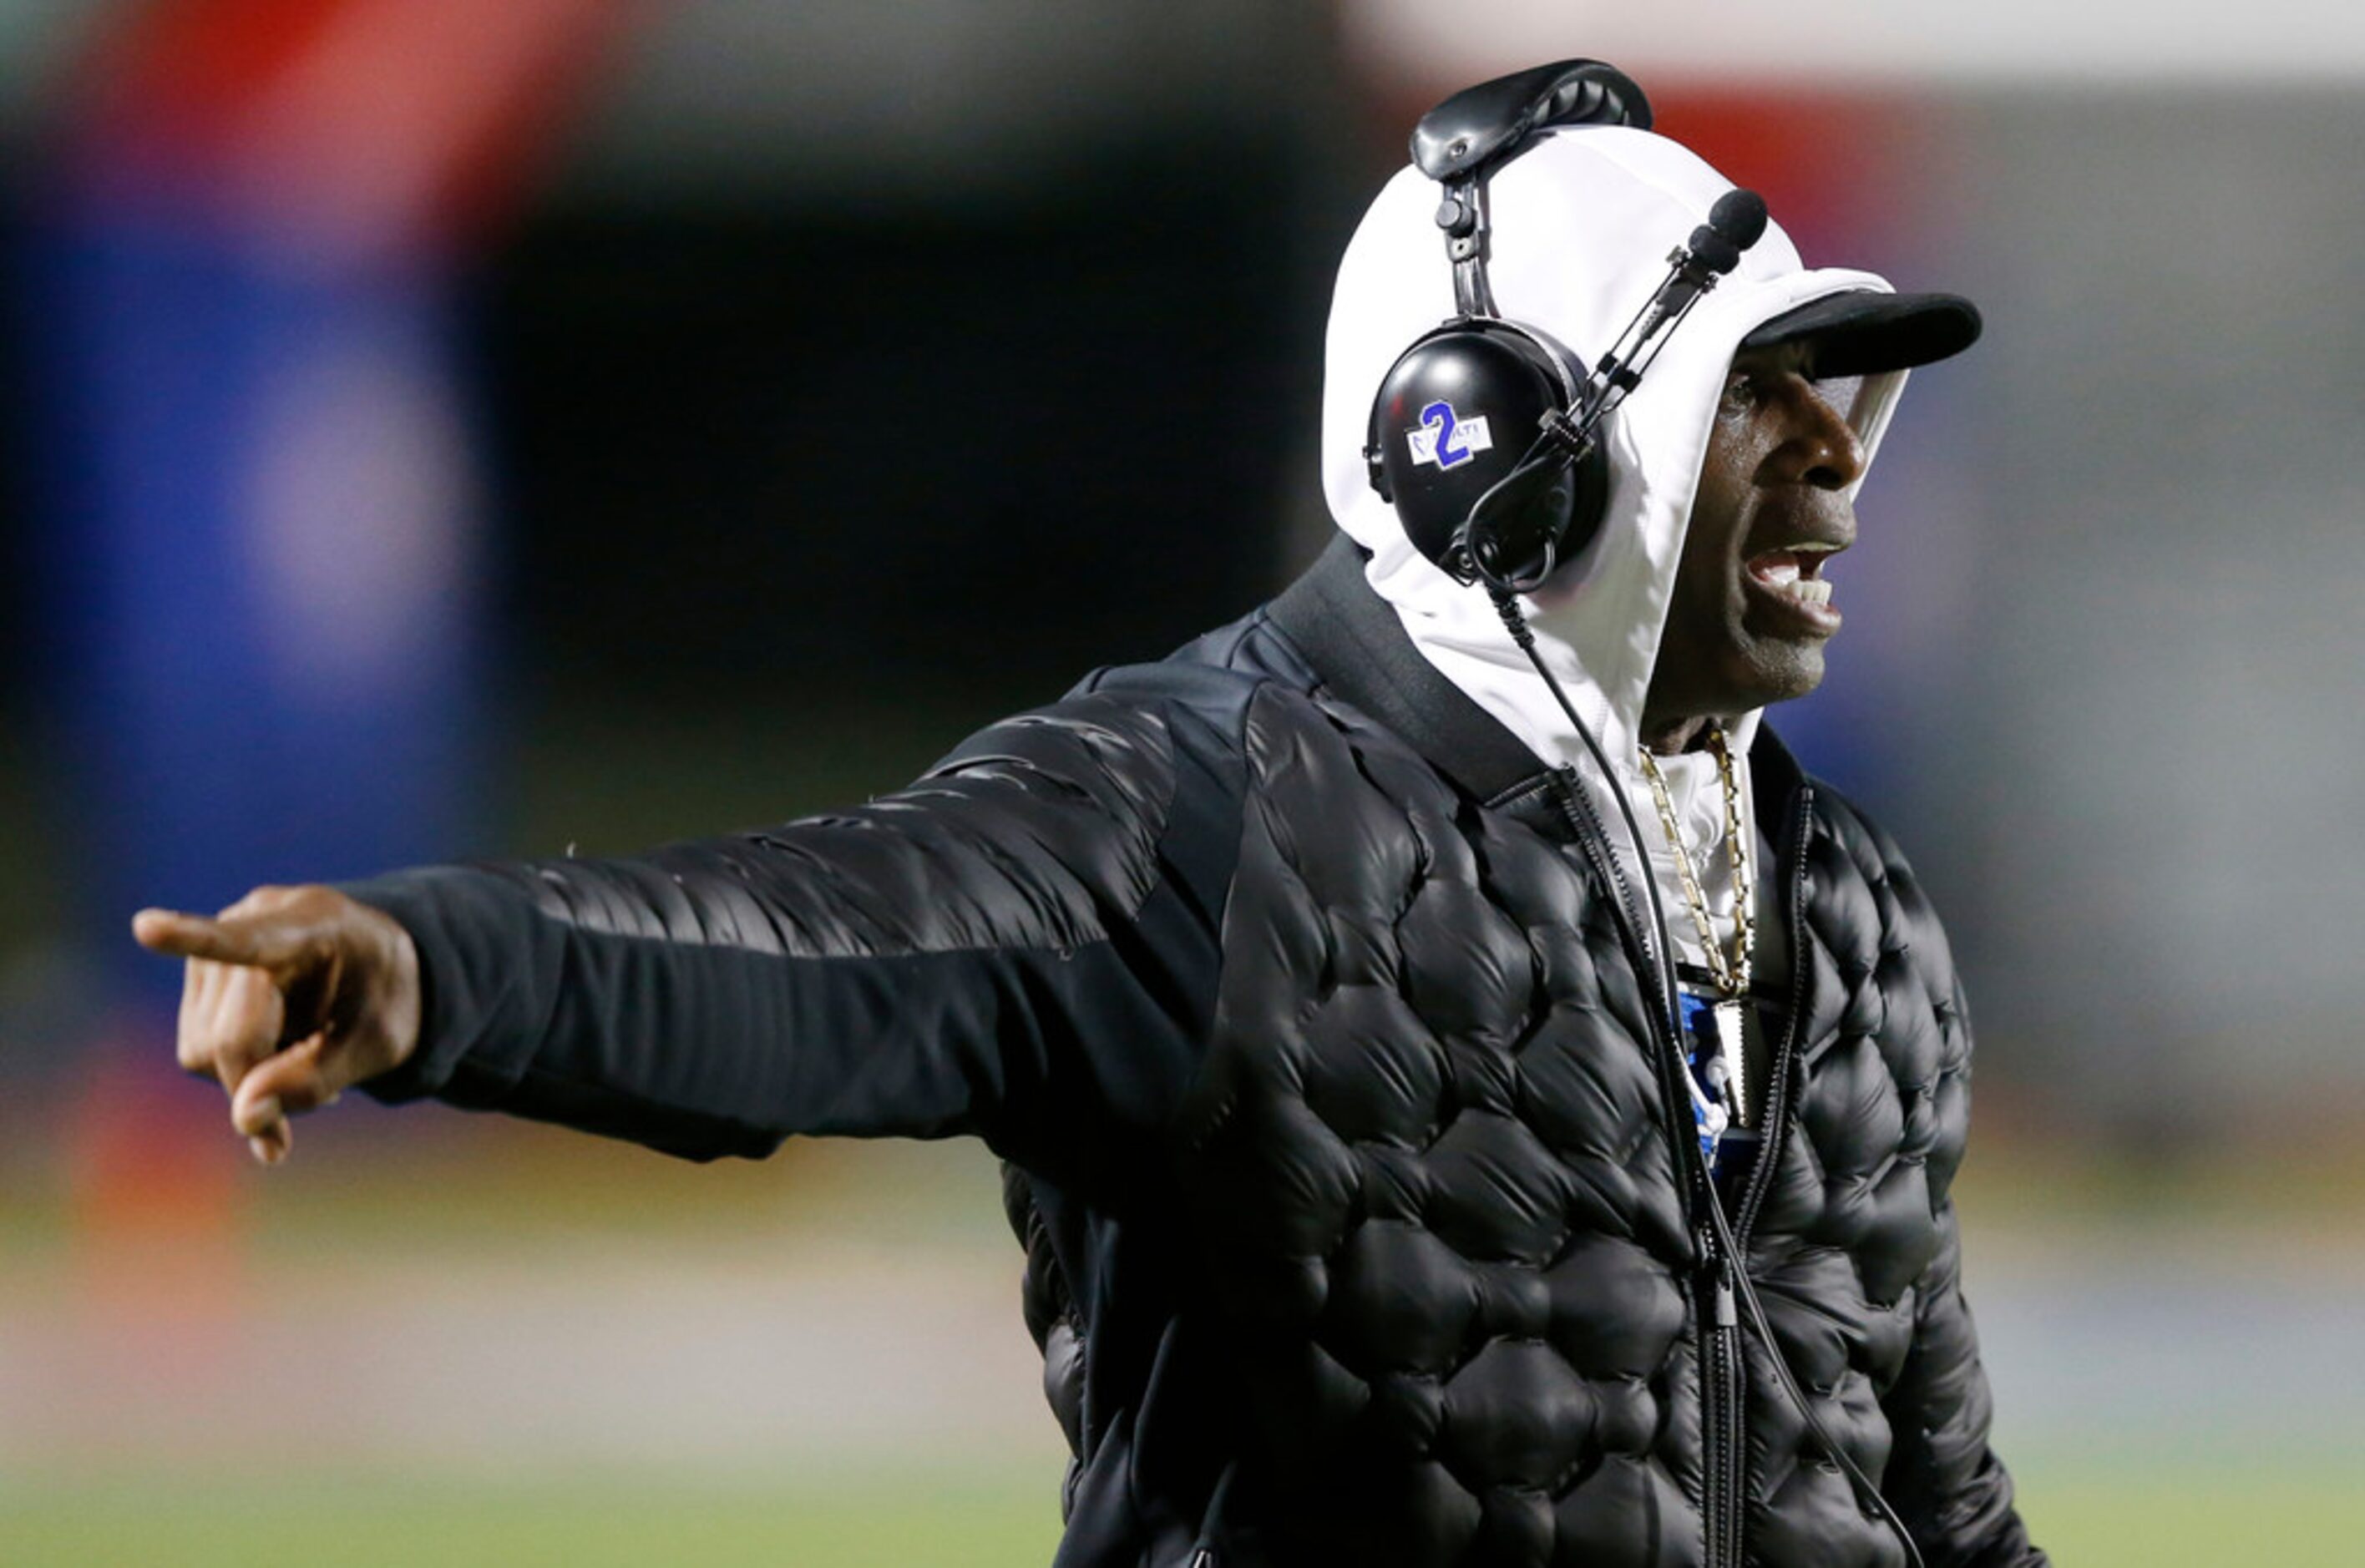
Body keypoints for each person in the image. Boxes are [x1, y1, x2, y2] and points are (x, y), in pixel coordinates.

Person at [136, 62, 2045, 1568]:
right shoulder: (1197, 821)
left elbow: (1930, 1498)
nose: (1836, 457)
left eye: (1837, 391)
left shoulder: (1850, 906)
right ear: (1498, 453)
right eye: (1758, 393)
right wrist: (427, 966)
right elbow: (812, 948)